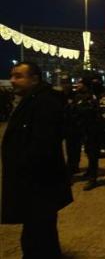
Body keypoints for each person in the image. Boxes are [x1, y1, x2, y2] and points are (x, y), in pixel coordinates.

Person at [1, 62, 73, 258]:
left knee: (39, 237)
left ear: (34, 79)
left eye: (18, 76)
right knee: (38, 235)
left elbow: (43, 148)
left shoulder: (44, 103)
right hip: (34, 188)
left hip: (39, 187)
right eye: (12, 76)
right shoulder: (32, 100)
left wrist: (24, 173)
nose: (13, 81)